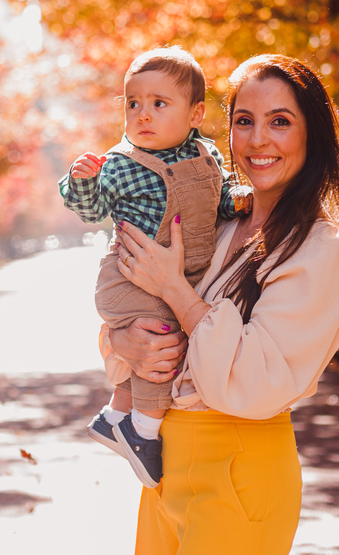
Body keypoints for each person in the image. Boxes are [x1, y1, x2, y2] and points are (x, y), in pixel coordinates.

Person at [107, 53, 339, 554]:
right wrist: (123, 341)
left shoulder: (322, 245)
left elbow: (256, 380)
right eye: (244, 121)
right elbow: (136, 308)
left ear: (312, 135)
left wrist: (174, 289)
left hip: (240, 469)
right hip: (163, 469)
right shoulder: (215, 222)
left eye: (280, 122)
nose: (258, 139)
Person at [58, 46, 241, 488]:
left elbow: (221, 198)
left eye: (159, 104)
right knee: (163, 340)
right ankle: (141, 431)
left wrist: (238, 198)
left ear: (196, 114)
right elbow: (91, 209)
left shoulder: (207, 154)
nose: (143, 114)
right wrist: (82, 181)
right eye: (133, 103)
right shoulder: (121, 164)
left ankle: (114, 416)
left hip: (175, 277)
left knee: (165, 332)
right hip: (129, 278)